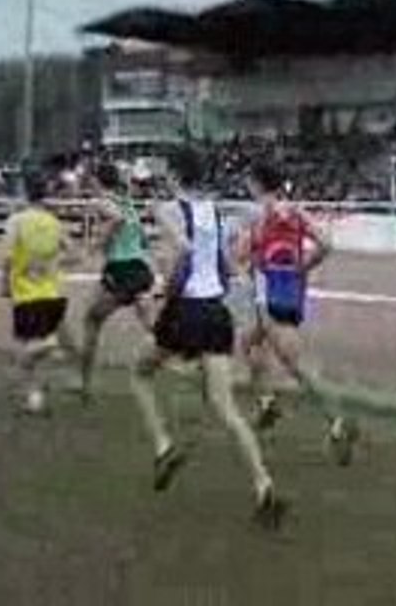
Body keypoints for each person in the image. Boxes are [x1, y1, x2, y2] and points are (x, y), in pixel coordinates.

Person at [128, 148, 286, 529]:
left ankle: (164, 445)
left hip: (186, 309)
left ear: (176, 175)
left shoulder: (168, 210)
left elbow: (181, 251)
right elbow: (226, 265)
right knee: (226, 408)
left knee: (139, 372)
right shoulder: (214, 212)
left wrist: (164, 290)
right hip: (216, 312)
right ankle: (263, 483)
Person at [237, 161, 358, 466]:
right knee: (247, 343)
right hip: (291, 292)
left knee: (297, 365)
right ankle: (266, 402)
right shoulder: (296, 211)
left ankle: (338, 419)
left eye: (249, 182)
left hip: (270, 297)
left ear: (256, 183)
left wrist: (244, 263)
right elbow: (326, 244)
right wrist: (302, 267)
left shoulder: (259, 213)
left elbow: (243, 252)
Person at [1, 171, 80, 415]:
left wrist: (4, 284)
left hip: (26, 295)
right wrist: (54, 265)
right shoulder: (53, 222)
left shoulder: (17, 221)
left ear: (25, 193)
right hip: (51, 293)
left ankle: (49, 350)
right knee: (29, 351)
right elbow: (75, 255)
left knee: (25, 349)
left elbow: (7, 258)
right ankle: (34, 399)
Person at [78, 161, 156, 403]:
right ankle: (194, 365)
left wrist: (97, 244)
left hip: (120, 269)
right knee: (154, 328)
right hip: (140, 268)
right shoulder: (127, 201)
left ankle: (85, 384)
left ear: (97, 181)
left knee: (91, 320)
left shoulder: (102, 201)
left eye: (91, 179)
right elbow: (143, 238)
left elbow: (116, 219)